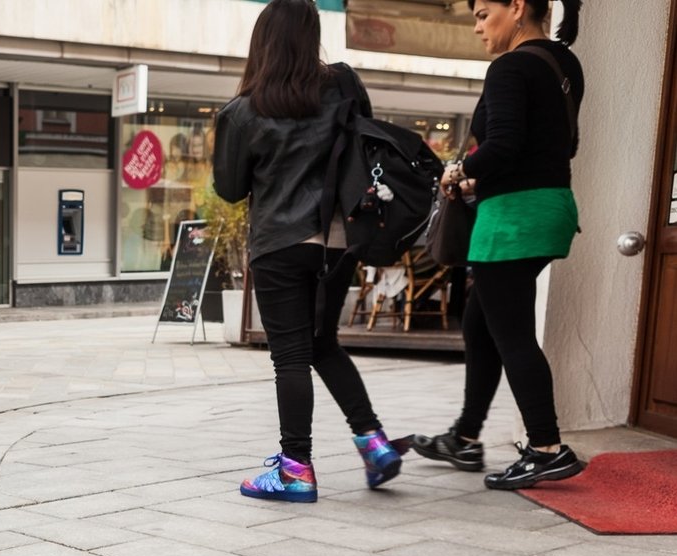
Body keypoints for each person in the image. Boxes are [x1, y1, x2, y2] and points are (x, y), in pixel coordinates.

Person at [213, 0, 402, 503]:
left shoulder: (242, 111)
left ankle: (295, 467)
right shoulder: (342, 85)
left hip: (278, 243)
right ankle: (374, 442)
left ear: (262, 43)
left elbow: (230, 189)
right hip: (338, 241)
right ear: (311, 36)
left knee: (291, 357)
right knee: (324, 345)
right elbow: (364, 140)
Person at [411, 0, 587, 489]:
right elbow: (556, 144)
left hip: (512, 219)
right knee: (480, 324)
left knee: (511, 334)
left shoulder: (509, 67)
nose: (477, 27)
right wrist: (479, 180)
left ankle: (546, 447)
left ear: (517, 7)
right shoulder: (564, 63)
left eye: (484, 13)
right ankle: (465, 438)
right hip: (551, 206)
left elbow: (504, 144)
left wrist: (458, 171)